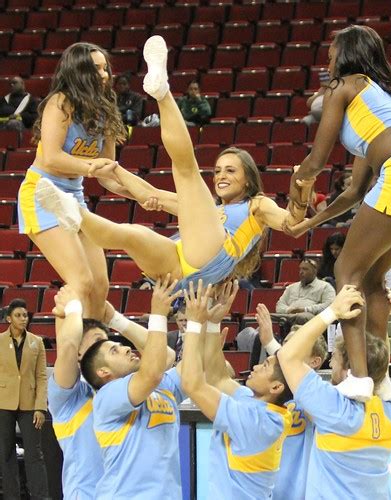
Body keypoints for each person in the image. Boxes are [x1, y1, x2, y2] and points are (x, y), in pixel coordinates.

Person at [36, 35, 310, 293]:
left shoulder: (257, 205)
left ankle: (161, 92)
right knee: (129, 234)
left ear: (249, 180)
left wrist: (301, 194)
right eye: (217, 170)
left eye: (230, 170)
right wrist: (114, 169)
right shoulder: (204, 212)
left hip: (211, 256)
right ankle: (72, 212)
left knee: (187, 171)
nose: (220, 176)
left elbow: (292, 225)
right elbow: (150, 196)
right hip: (178, 269)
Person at [286, 25, 391, 400]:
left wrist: (298, 184)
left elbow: (316, 161)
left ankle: (359, 377)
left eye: (331, 51)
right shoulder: (380, 101)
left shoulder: (341, 86)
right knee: (374, 277)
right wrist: (310, 224)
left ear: (345, 54)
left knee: (346, 270)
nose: (327, 59)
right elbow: (353, 193)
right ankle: (380, 380)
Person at [17, 42, 133, 320]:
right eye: (96, 69)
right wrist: (91, 167)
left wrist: (139, 195)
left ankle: (91, 350)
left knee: (100, 286)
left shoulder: (105, 111)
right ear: (78, 71)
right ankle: (70, 355)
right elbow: (53, 159)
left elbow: (108, 172)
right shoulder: (60, 103)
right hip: (42, 194)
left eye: (106, 68)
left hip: (74, 198)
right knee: (81, 283)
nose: (104, 75)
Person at [48, 285, 175, 499]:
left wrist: (116, 319)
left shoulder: (124, 388)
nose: (106, 348)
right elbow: (68, 346)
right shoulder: (70, 396)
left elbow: (167, 355)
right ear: (80, 353)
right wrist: (72, 308)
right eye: (98, 342)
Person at [277, 285, 391, 500]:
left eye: (335, 360)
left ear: (347, 370)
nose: (331, 364)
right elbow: (380, 362)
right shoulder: (388, 411)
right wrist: (380, 312)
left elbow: (287, 355)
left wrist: (331, 311)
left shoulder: (335, 410)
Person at [180, 280, 292, 500]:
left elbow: (193, 384)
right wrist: (213, 322)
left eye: (265, 366)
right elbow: (217, 378)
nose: (257, 366)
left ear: (276, 386)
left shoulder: (255, 422)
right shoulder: (264, 408)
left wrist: (193, 325)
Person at [79, 275, 184, 499]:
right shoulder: (107, 396)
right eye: (114, 351)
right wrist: (157, 315)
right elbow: (153, 371)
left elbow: (166, 356)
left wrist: (116, 320)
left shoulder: (158, 385)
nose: (126, 349)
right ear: (104, 372)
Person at [255, 302, 327, 500]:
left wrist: (272, 344)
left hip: (300, 491)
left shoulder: (321, 394)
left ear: (315, 361)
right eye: (286, 345)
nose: (286, 352)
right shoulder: (271, 387)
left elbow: (298, 378)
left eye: (295, 346)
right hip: (265, 487)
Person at [0, 299, 49, 500]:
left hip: (30, 404)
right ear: (8, 318)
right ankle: (12, 496)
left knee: (34, 454)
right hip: (3, 402)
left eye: (25, 315)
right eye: (19, 315)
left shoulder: (37, 342)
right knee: (6, 454)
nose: (23, 319)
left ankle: (41, 496)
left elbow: (41, 376)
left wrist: (41, 407)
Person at [274, 257, 336, 326]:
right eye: (300, 269)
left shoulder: (325, 287)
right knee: (267, 317)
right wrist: (289, 310)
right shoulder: (291, 288)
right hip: (289, 316)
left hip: (312, 320)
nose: (301, 272)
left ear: (315, 271)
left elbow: (329, 305)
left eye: (305, 269)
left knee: (301, 317)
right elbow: (279, 305)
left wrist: (305, 310)